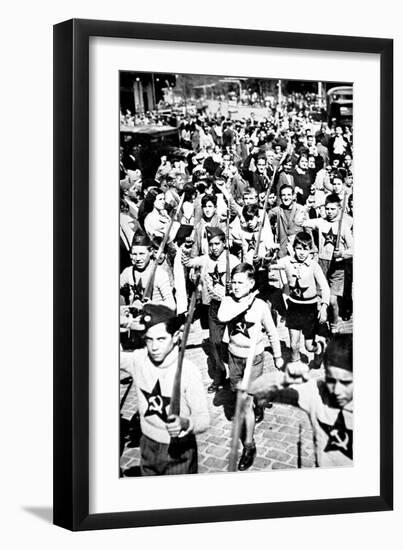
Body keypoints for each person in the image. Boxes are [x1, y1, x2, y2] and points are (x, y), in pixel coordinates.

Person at [122, 304, 209, 475]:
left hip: (178, 452)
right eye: (149, 339)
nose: (154, 347)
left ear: (176, 336)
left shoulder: (188, 370)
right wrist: (121, 322)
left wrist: (186, 423)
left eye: (161, 339)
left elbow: (204, 419)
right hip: (147, 444)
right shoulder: (138, 360)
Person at [249, 333, 353, 468]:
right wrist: (285, 378)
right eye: (331, 380)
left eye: (345, 382)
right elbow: (254, 389)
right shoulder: (318, 393)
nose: (337, 390)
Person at [217, 263, 283, 470]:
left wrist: (279, 357)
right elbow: (222, 317)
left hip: (253, 360)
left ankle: (249, 445)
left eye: (240, 283)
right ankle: (260, 402)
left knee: (245, 403)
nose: (235, 286)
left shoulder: (261, 305)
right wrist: (244, 303)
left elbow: (272, 332)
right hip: (234, 359)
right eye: (233, 282)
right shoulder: (228, 301)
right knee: (242, 397)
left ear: (252, 283)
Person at [183, 226, 239, 393]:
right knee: (215, 343)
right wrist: (186, 248)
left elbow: (246, 276)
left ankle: (237, 378)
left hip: (232, 304)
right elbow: (187, 262)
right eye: (211, 244)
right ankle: (220, 375)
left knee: (236, 341)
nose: (214, 247)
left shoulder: (233, 260)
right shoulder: (205, 259)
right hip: (214, 306)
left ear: (224, 243)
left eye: (217, 243)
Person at [271, 231, 330, 361]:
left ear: (310, 251)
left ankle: (319, 348)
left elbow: (325, 287)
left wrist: (324, 306)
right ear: (293, 249)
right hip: (294, 307)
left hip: (310, 309)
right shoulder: (287, 262)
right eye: (298, 248)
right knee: (293, 345)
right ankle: (295, 370)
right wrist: (267, 257)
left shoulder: (314, 265)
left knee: (309, 346)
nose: (302, 252)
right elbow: (271, 266)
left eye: (305, 249)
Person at [299, 193, 353, 333]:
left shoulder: (344, 226)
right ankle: (321, 323)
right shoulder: (321, 222)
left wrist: (342, 253)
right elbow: (301, 222)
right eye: (327, 209)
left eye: (333, 209)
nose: (329, 212)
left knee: (333, 301)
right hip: (322, 263)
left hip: (337, 266)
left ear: (339, 209)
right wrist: (306, 208)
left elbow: (354, 249)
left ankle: (335, 325)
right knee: (321, 297)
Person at [120, 230, 175, 310]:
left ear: (151, 252)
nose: (138, 259)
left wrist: (152, 305)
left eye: (141, 254)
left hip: (154, 318)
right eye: (134, 254)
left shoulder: (159, 274)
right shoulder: (128, 272)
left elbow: (172, 305)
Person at [268, 183, 307, 257]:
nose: (286, 198)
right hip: (282, 252)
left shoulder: (301, 210)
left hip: (297, 252)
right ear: (280, 197)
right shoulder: (277, 210)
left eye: (289, 195)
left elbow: (308, 231)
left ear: (293, 196)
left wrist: (312, 250)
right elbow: (266, 219)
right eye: (283, 195)